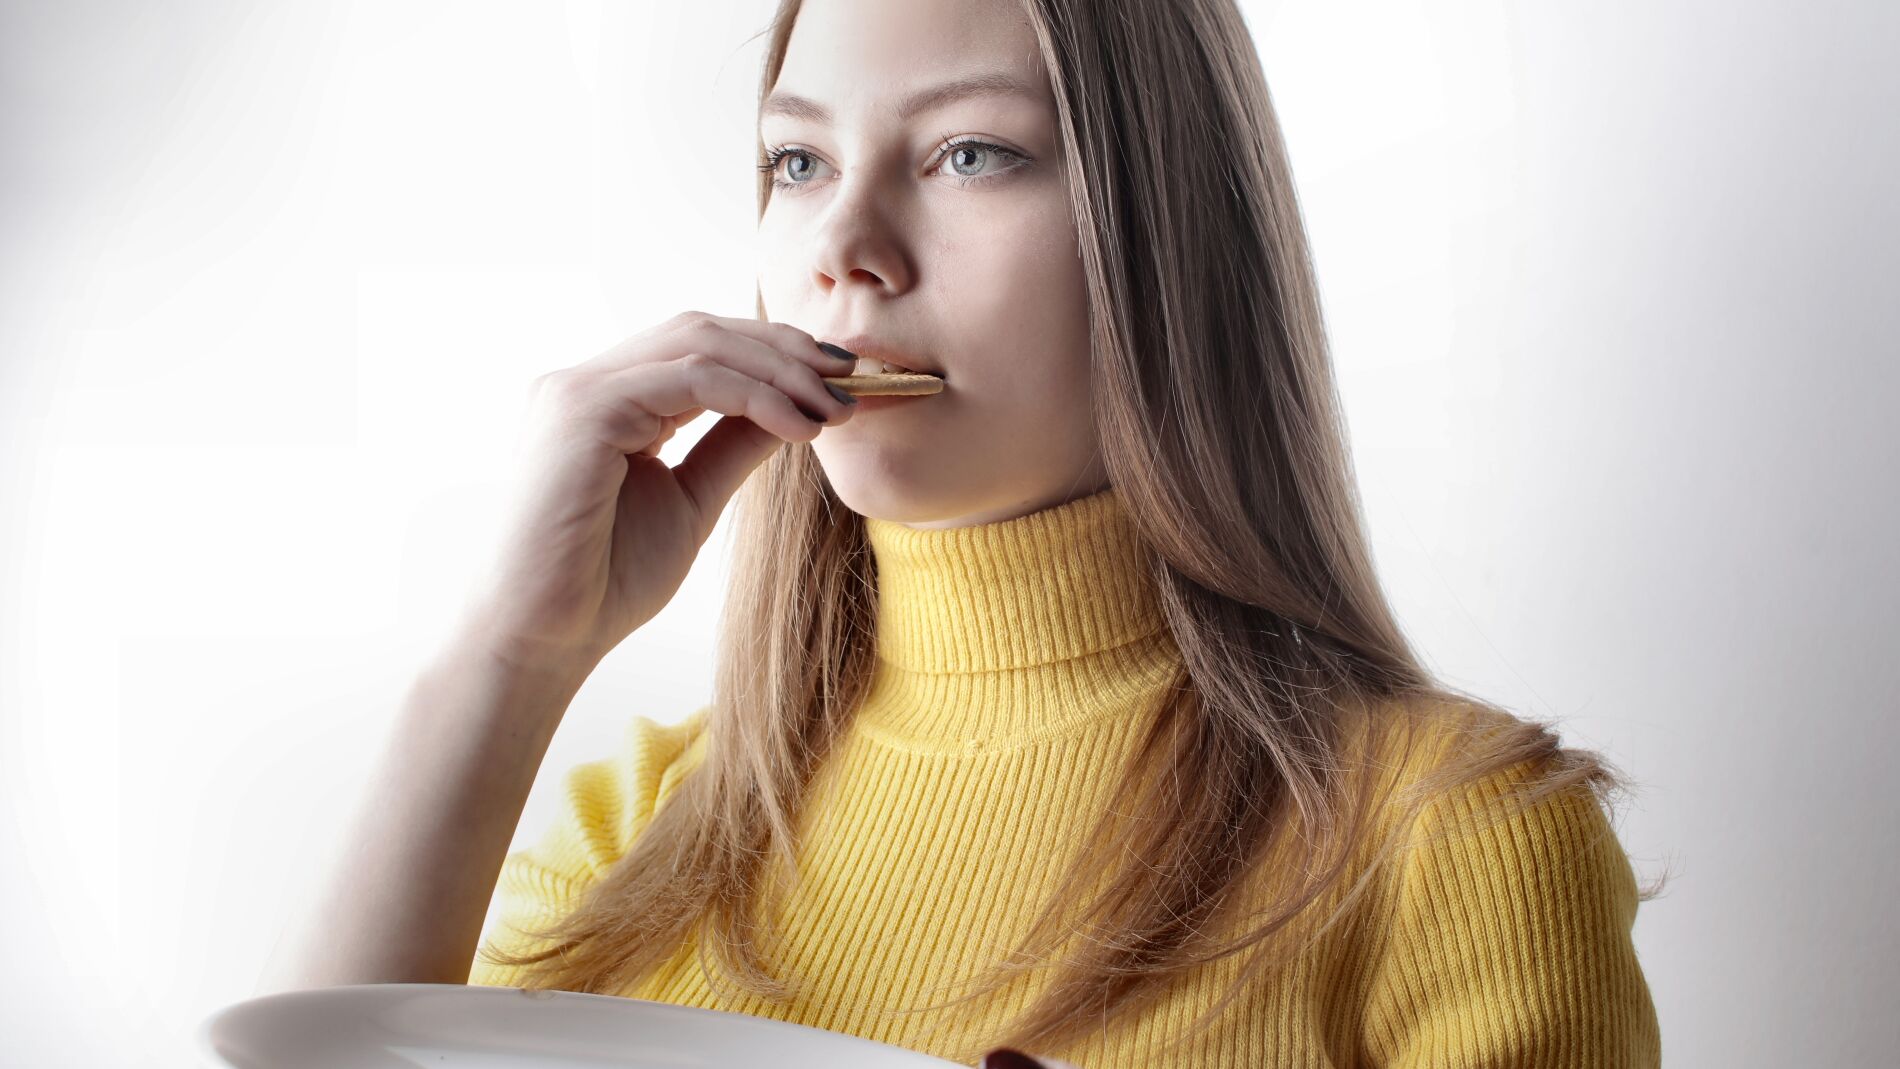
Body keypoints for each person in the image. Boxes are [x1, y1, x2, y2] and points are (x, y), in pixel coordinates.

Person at [262, 0, 1664, 1066]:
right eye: (798, 160)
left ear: (1164, 234)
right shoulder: (638, 820)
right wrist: (511, 658)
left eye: (970, 153)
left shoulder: (1455, 837)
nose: (843, 247)